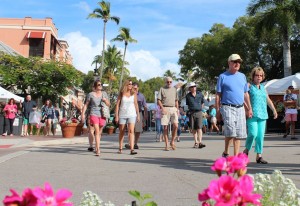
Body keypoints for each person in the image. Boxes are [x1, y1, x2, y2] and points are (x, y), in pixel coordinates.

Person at [216, 54, 253, 157]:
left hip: (240, 108)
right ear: (229, 63)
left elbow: (246, 94)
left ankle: (235, 157)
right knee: (231, 131)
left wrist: (249, 108)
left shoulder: (242, 76)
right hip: (227, 107)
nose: (237, 64)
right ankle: (226, 151)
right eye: (235, 61)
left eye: (239, 62)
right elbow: (218, 95)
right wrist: (218, 110)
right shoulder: (223, 76)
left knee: (239, 134)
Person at [243, 67, 278, 164]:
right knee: (253, 133)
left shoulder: (263, 88)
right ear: (253, 76)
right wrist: (247, 109)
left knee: (260, 136)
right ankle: (246, 151)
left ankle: (259, 156)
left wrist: (274, 110)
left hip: (263, 114)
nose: (259, 77)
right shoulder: (249, 86)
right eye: (257, 75)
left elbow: (268, 100)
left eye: (261, 75)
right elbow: (244, 98)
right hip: (252, 114)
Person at [82, 80, 110, 156]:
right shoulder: (90, 94)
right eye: (98, 85)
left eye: (101, 84)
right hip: (93, 113)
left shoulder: (104, 94)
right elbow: (86, 105)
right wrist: (83, 114)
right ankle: (98, 149)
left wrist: (105, 100)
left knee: (100, 132)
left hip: (102, 114)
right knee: (97, 131)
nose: (100, 86)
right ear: (95, 87)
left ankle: (96, 145)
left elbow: (108, 104)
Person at [115, 80, 140, 155]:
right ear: (126, 85)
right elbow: (117, 105)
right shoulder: (121, 93)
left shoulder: (134, 93)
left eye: (131, 84)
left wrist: (138, 114)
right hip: (122, 114)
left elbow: (136, 104)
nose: (130, 85)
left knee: (131, 131)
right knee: (122, 131)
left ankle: (132, 149)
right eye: (129, 84)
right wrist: (116, 115)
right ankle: (120, 148)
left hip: (132, 114)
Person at [157, 77, 179, 151]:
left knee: (176, 125)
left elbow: (176, 100)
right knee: (165, 128)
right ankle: (166, 145)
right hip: (165, 108)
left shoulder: (174, 89)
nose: (169, 83)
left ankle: (172, 141)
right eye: (167, 82)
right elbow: (159, 100)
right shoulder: (162, 89)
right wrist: (162, 108)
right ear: (165, 82)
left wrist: (177, 109)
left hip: (173, 108)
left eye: (170, 82)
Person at [125, 82, 147, 149]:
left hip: (139, 113)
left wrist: (146, 114)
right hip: (130, 113)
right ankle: (130, 143)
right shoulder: (129, 94)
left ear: (138, 88)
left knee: (138, 130)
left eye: (136, 88)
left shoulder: (141, 96)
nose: (135, 89)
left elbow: (145, 106)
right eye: (134, 88)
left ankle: (135, 143)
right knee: (130, 129)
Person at [185, 82, 206, 148]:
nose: (194, 87)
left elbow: (203, 103)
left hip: (199, 112)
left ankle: (200, 142)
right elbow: (187, 105)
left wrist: (200, 109)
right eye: (192, 87)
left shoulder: (200, 94)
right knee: (193, 128)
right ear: (190, 88)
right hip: (191, 112)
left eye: (194, 86)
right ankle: (196, 142)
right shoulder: (188, 96)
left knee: (199, 128)